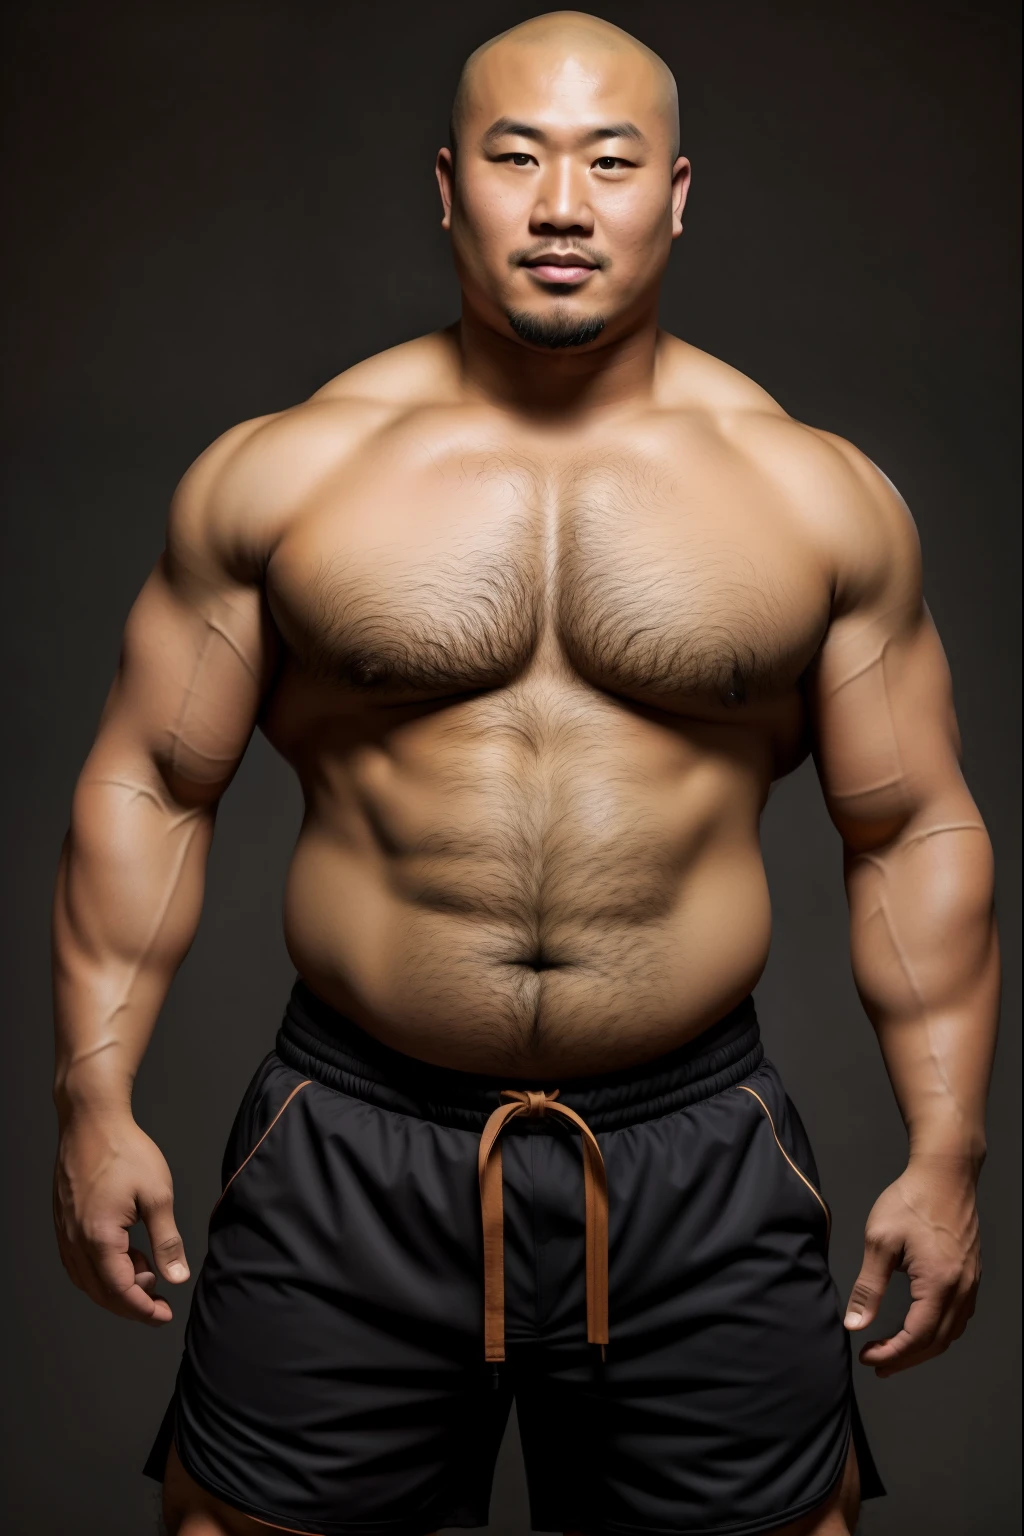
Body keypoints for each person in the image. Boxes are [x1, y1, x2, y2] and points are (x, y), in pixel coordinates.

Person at [51, 12, 1000, 1536]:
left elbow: (910, 828)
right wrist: (94, 1101)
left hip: (695, 1156)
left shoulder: (814, 497)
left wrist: (945, 1149)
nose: (565, 202)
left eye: (611, 162)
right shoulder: (289, 474)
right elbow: (152, 785)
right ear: (449, 184)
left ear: (676, 193)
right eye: (519, 157)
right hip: (352, 1143)